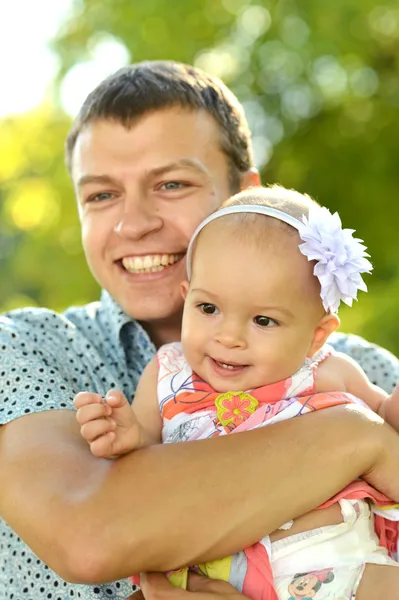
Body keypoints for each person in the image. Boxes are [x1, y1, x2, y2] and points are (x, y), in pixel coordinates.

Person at [1, 61, 399, 600]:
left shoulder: (360, 368)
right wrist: (356, 438)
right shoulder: (27, 349)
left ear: (246, 195)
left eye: (171, 184)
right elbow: (88, 537)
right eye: (100, 195)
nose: (133, 223)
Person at [75, 185, 399, 600]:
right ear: (186, 297)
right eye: (208, 309)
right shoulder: (167, 373)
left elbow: (388, 424)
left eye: (263, 320)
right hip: (206, 572)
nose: (228, 337)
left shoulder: (330, 371)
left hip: (332, 560)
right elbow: (138, 468)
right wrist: (123, 437)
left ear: (317, 335)